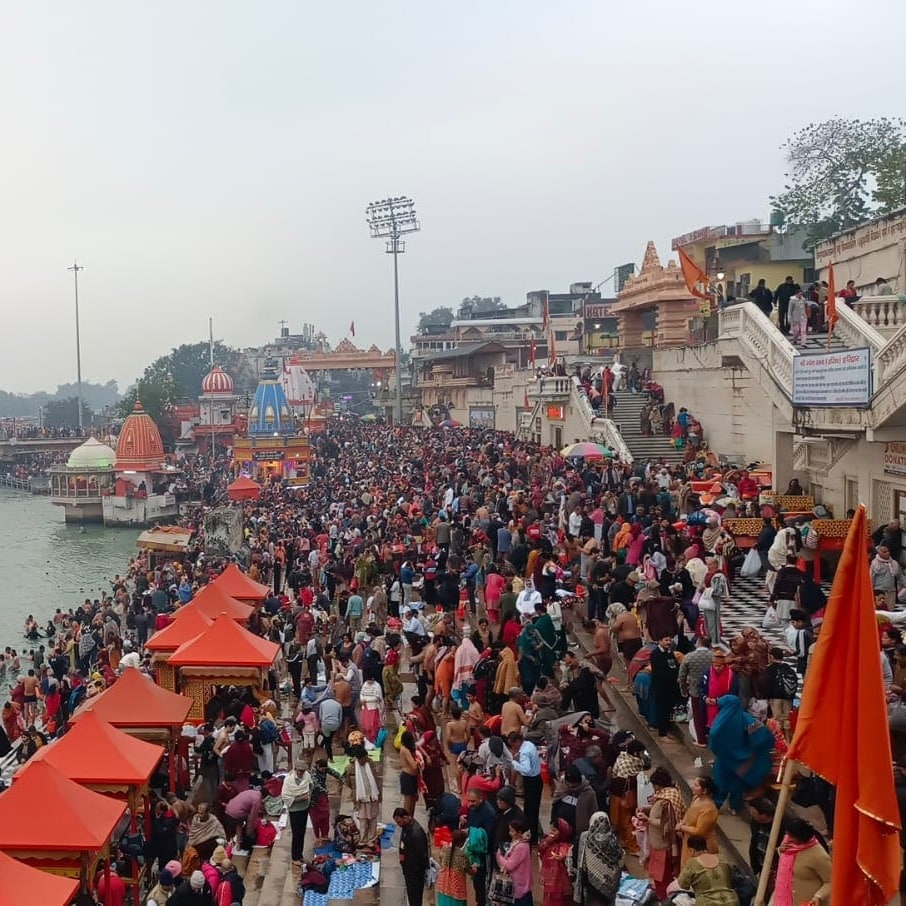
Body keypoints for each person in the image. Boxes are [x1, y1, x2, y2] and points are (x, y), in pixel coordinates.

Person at [707, 695, 774, 812]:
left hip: (723, 759)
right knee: (737, 784)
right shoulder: (748, 720)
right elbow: (764, 738)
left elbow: (713, 741)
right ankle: (734, 806)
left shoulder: (719, 722)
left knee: (720, 781)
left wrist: (722, 752)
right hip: (742, 760)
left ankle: (716, 806)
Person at [642, 766, 684, 900]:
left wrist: (648, 819)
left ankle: (664, 898)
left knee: (662, 876)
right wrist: (645, 809)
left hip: (662, 844)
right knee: (663, 875)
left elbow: (666, 824)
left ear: (658, 785)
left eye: (654, 785)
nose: (653, 788)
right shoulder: (673, 793)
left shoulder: (665, 801)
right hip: (664, 842)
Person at [770, 817, 831, 906]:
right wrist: (780, 850)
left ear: (802, 837)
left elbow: (831, 881)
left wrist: (818, 896)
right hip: (780, 898)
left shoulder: (819, 856)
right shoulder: (787, 844)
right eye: (788, 834)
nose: (789, 838)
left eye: (792, 836)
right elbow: (785, 862)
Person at [669, 835, 739, 906]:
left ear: (692, 850)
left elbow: (683, 885)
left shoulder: (692, 863)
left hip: (707, 903)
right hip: (731, 901)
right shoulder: (722, 858)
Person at [572, 811, 623, 906]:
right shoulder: (612, 839)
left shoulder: (584, 837)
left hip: (589, 885)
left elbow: (575, 857)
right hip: (609, 886)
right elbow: (620, 859)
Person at [506, 731, 543, 845]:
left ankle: (532, 838)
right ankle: (533, 834)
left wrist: (514, 763)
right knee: (532, 810)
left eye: (513, 745)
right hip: (537, 780)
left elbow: (526, 769)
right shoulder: (529, 745)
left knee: (530, 812)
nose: (513, 748)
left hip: (531, 782)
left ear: (517, 741)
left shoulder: (524, 752)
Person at [345, 739, 381, 847]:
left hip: (372, 796)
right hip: (360, 798)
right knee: (363, 820)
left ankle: (371, 839)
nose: (365, 760)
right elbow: (348, 783)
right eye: (363, 758)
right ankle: (363, 839)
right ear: (358, 758)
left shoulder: (371, 764)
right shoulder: (350, 768)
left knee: (373, 819)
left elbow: (377, 780)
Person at [677, 776, 719, 866]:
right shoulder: (696, 798)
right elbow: (689, 812)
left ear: (705, 790)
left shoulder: (709, 809)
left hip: (701, 846)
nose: (693, 787)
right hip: (689, 840)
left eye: (696, 785)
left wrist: (681, 827)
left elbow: (699, 831)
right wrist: (682, 823)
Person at [393, 808, 430, 906]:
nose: (398, 825)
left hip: (415, 871)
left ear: (405, 817)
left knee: (415, 896)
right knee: (411, 894)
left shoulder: (416, 833)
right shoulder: (406, 827)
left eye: (399, 822)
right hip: (408, 868)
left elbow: (422, 855)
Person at [495, 817, 533, 906]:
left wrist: (499, 856)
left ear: (519, 832)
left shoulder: (521, 847)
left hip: (519, 885)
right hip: (519, 883)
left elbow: (509, 865)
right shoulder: (518, 843)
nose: (510, 833)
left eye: (512, 831)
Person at [281, 759, 312, 864]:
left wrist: (308, 796)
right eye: (298, 770)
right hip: (294, 810)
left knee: (302, 832)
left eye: (302, 771)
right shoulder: (289, 780)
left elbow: (310, 786)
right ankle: (295, 857)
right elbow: (286, 796)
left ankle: (300, 855)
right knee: (296, 833)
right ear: (295, 769)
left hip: (304, 808)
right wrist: (300, 798)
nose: (300, 773)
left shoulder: (307, 777)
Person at [649, 634, 680, 737]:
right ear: (660, 641)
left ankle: (668, 730)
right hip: (661, 688)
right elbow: (659, 673)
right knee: (662, 710)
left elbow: (674, 666)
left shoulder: (669, 653)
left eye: (670, 640)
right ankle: (662, 734)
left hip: (671, 687)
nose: (668, 642)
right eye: (666, 640)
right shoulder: (655, 654)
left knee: (669, 709)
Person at [538, 820, 573, 906]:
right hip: (548, 882)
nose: (551, 832)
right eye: (551, 830)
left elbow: (568, 862)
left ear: (562, 832)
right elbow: (540, 849)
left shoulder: (566, 846)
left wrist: (562, 858)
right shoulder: (549, 843)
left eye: (554, 830)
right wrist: (547, 841)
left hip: (560, 885)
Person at [436, 828, 475, 906]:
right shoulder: (462, 855)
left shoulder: (444, 849)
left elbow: (440, 861)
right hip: (456, 889)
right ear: (461, 842)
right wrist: (475, 868)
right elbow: (470, 871)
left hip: (443, 886)